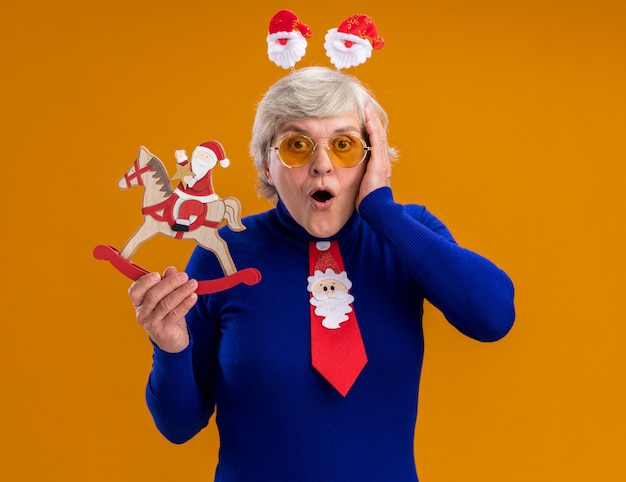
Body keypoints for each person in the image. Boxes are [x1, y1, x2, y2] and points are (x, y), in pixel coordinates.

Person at [128, 66, 516, 481]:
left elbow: (492, 317)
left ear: (373, 159)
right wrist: (170, 348)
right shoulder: (222, 255)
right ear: (264, 165)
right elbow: (178, 425)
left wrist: (382, 210)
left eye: (345, 145)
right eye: (297, 145)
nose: (322, 165)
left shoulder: (406, 235)